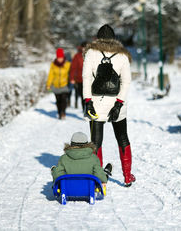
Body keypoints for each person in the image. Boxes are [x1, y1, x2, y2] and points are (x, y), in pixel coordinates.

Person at [82, 24, 136, 187]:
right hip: (116, 102)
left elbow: (86, 78)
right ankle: (127, 176)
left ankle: (98, 177)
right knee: (122, 138)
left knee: (96, 141)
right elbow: (126, 81)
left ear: (98, 38)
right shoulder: (122, 56)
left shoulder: (91, 53)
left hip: (96, 102)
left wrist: (87, 102)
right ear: (114, 39)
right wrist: (118, 104)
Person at [46, 48, 71, 120]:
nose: (60, 59)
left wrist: (72, 80)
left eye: (61, 57)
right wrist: (48, 84)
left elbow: (71, 73)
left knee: (64, 99)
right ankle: (59, 112)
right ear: (56, 57)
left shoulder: (67, 64)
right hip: (55, 86)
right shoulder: (53, 65)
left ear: (63, 57)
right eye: (59, 57)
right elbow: (51, 75)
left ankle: (63, 112)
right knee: (58, 101)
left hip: (64, 85)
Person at [69, 41, 87, 110]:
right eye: (84, 48)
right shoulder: (77, 56)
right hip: (80, 79)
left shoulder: (92, 55)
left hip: (90, 79)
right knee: (83, 96)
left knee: (89, 96)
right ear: (81, 48)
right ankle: (84, 109)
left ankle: (89, 110)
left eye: (86, 48)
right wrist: (72, 78)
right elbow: (73, 68)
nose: (85, 49)